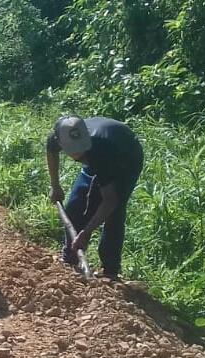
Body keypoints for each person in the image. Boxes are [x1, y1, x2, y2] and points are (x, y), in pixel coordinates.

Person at [46, 116, 143, 280]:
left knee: (114, 213)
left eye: (80, 148)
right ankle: (70, 258)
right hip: (98, 154)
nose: (77, 152)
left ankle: (110, 269)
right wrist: (55, 185)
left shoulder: (99, 150)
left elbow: (110, 200)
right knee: (75, 205)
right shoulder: (57, 136)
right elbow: (51, 152)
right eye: (73, 149)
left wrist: (86, 232)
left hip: (126, 158)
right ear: (60, 141)